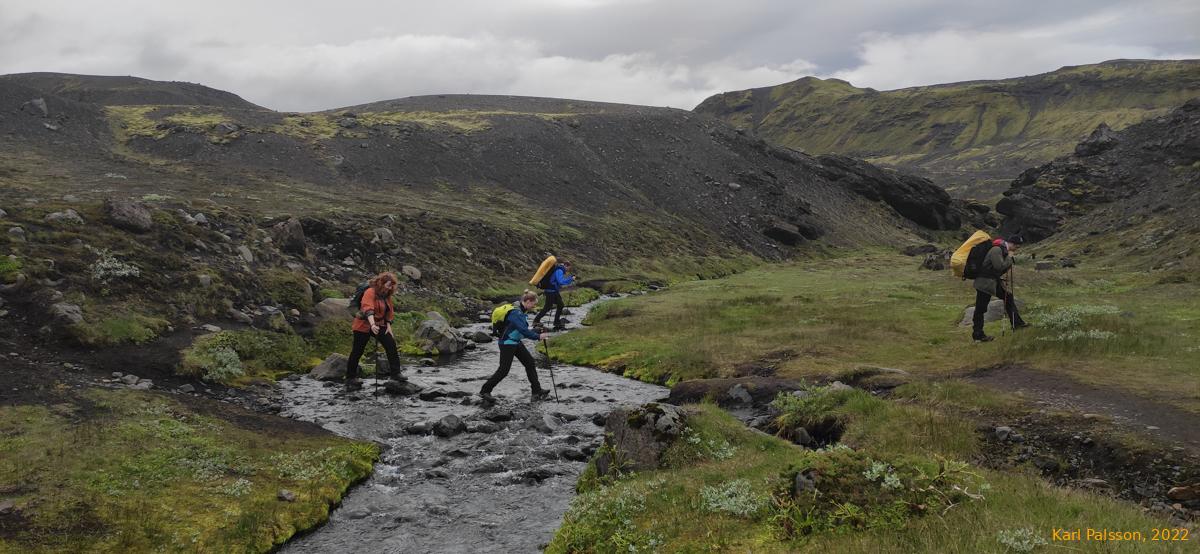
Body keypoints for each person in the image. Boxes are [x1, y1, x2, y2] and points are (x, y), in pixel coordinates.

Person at [480, 290, 551, 404]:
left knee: (530, 363)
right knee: (503, 370)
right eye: (533, 304)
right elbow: (523, 330)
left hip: (516, 342)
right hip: (507, 343)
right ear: (527, 301)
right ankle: (485, 391)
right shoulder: (515, 313)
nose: (534, 306)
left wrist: (536, 331)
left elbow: (521, 330)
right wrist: (538, 336)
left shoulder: (520, 310)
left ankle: (537, 391)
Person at [345, 272, 405, 391]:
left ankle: (396, 374)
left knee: (391, 345)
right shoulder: (370, 292)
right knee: (357, 351)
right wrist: (372, 324)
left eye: (392, 285)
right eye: (388, 285)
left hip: (380, 324)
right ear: (381, 283)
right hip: (363, 325)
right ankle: (350, 377)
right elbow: (368, 308)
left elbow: (389, 311)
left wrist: (388, 326)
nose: (390, 288)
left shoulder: (386, 295)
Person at [972, 237, 1029, 342]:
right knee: (981, 308)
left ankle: (1017, 323)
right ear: (1011, 243)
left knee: (1008, 297)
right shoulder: (997, 249)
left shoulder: (1001, 250)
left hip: (992, 281)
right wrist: (1009, 257)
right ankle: (978, 335)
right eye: (1016, 246)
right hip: (985, 283)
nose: (1017, 248)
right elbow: (999, 266)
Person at [532, 260, 575, 330]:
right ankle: (536, 321)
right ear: (566, 265)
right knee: (548, 307)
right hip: (550, 291)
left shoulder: (558, 268)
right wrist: (570, 279)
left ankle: (556, 322)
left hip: (553, 291)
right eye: (568, 268)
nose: (568, 270)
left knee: (560, 305)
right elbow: (560, 281)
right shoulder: (559, 270)